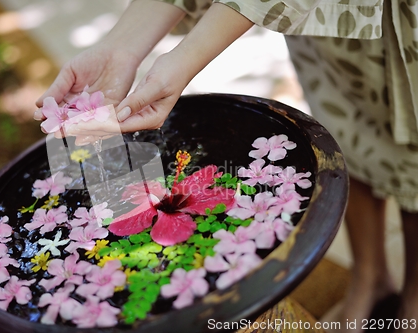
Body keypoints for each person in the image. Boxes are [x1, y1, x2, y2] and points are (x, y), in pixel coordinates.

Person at [35, 0, 418, 331]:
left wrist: (183, 60)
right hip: (319, 21)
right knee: (346, 128)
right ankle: (370, 276)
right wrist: (120, 49)